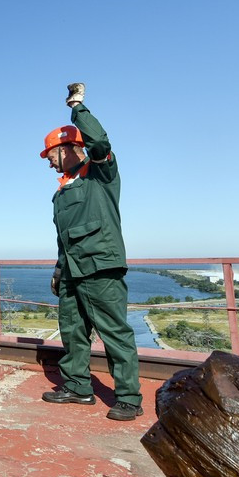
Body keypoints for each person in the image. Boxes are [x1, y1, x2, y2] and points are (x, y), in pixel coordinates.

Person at [39, 83, 143, 421]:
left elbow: (100, 142)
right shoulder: (63, 191)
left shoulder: (99, 174)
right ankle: (78, 387)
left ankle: (128, 397)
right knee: (72, 330)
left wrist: (77, 107)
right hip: (72, 271)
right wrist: (58, 271)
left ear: (67, 147)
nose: (50, 164)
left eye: (51, 156)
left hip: (100, 269)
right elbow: (64, 238)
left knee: (114, 332)